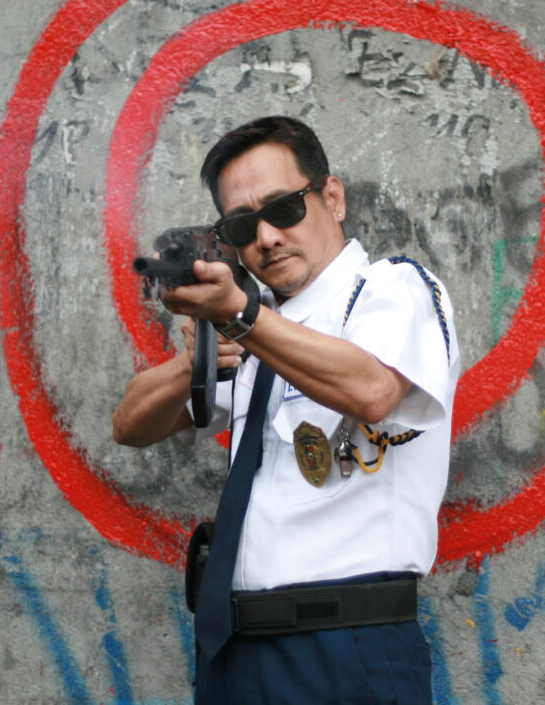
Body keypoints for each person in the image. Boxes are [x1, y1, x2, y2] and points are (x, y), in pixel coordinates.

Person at [113, 116, 459, 704]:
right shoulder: (256, 321)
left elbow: (373, 389)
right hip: (235, 647)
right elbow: (130, 425)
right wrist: (196, 356)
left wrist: (242, 317)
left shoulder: (389, 289)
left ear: (333, 197)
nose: (268, 237)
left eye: (284, 208)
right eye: (243, 225)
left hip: (345, 644)